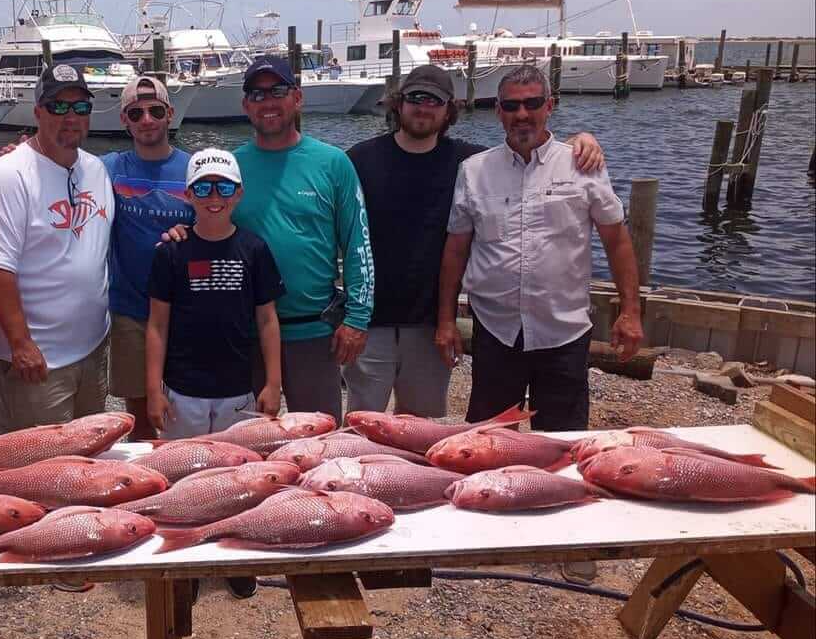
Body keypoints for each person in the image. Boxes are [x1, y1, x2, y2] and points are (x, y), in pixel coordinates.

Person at [344, 64, 605, 417]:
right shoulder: (358, 160)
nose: (423, 107)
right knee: (363, 423)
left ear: (448, 109)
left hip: (429, 323)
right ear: (397, 103)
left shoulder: (469, 162)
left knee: (421, 429)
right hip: (370, 321)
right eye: (415, 98)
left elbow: (528, 150)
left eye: (434, 101)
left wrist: (579, 140)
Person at [437, 65, 643, 432]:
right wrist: (446, 320)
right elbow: (456, 251)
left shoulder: (583, 164)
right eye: (511, 106)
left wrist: (630, 312)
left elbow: (617, 241)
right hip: (496, 331)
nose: (522, 114)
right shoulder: (473, 171)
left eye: (532, 103)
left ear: (550, 105)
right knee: (489, 440)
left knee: (562, 442)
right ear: (498, 111)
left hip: (563, 331)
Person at [232, 55, 374, 424]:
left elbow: (357, 245)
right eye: (257, 94)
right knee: (250, 450)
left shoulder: (333, 163)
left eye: (277, 91)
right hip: (247, 333)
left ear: (297, 97)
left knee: (318, 446)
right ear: (246, 105)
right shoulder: (229, 167)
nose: (268, 102)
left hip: (315, 332)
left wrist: (358, 318)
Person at [0, 63, 115, 433]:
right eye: (58, 106)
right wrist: (20, 344)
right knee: (37, 470)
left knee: (88, 465)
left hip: (93, 348)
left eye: (80, 107)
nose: (70, 117)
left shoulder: (97, 170)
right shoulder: (10, 175)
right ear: (37, 111)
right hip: (37, 361)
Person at [145, 147, 284, 438]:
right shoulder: (170, 252)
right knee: (183, 467)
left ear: (239, 193)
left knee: (233, 468)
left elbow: (268, 320)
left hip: (238, 388)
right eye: (204, 188)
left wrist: (273, 383)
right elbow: (158, 325)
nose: (215, 197)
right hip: (182, 389)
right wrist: (153, 389)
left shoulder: (254, 249)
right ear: (188, 194)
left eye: (224, 188)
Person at [102, 76, 193, 440]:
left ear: (170, 114)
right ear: (124, 120)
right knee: (140, 416)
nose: (147, 120)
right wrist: (19, 152)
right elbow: (58, 163)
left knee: (186, 409)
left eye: (155, 110)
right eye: (135, 113)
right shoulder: (108, 167)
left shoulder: (193, 168)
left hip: (185, 312)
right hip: (130, 312)